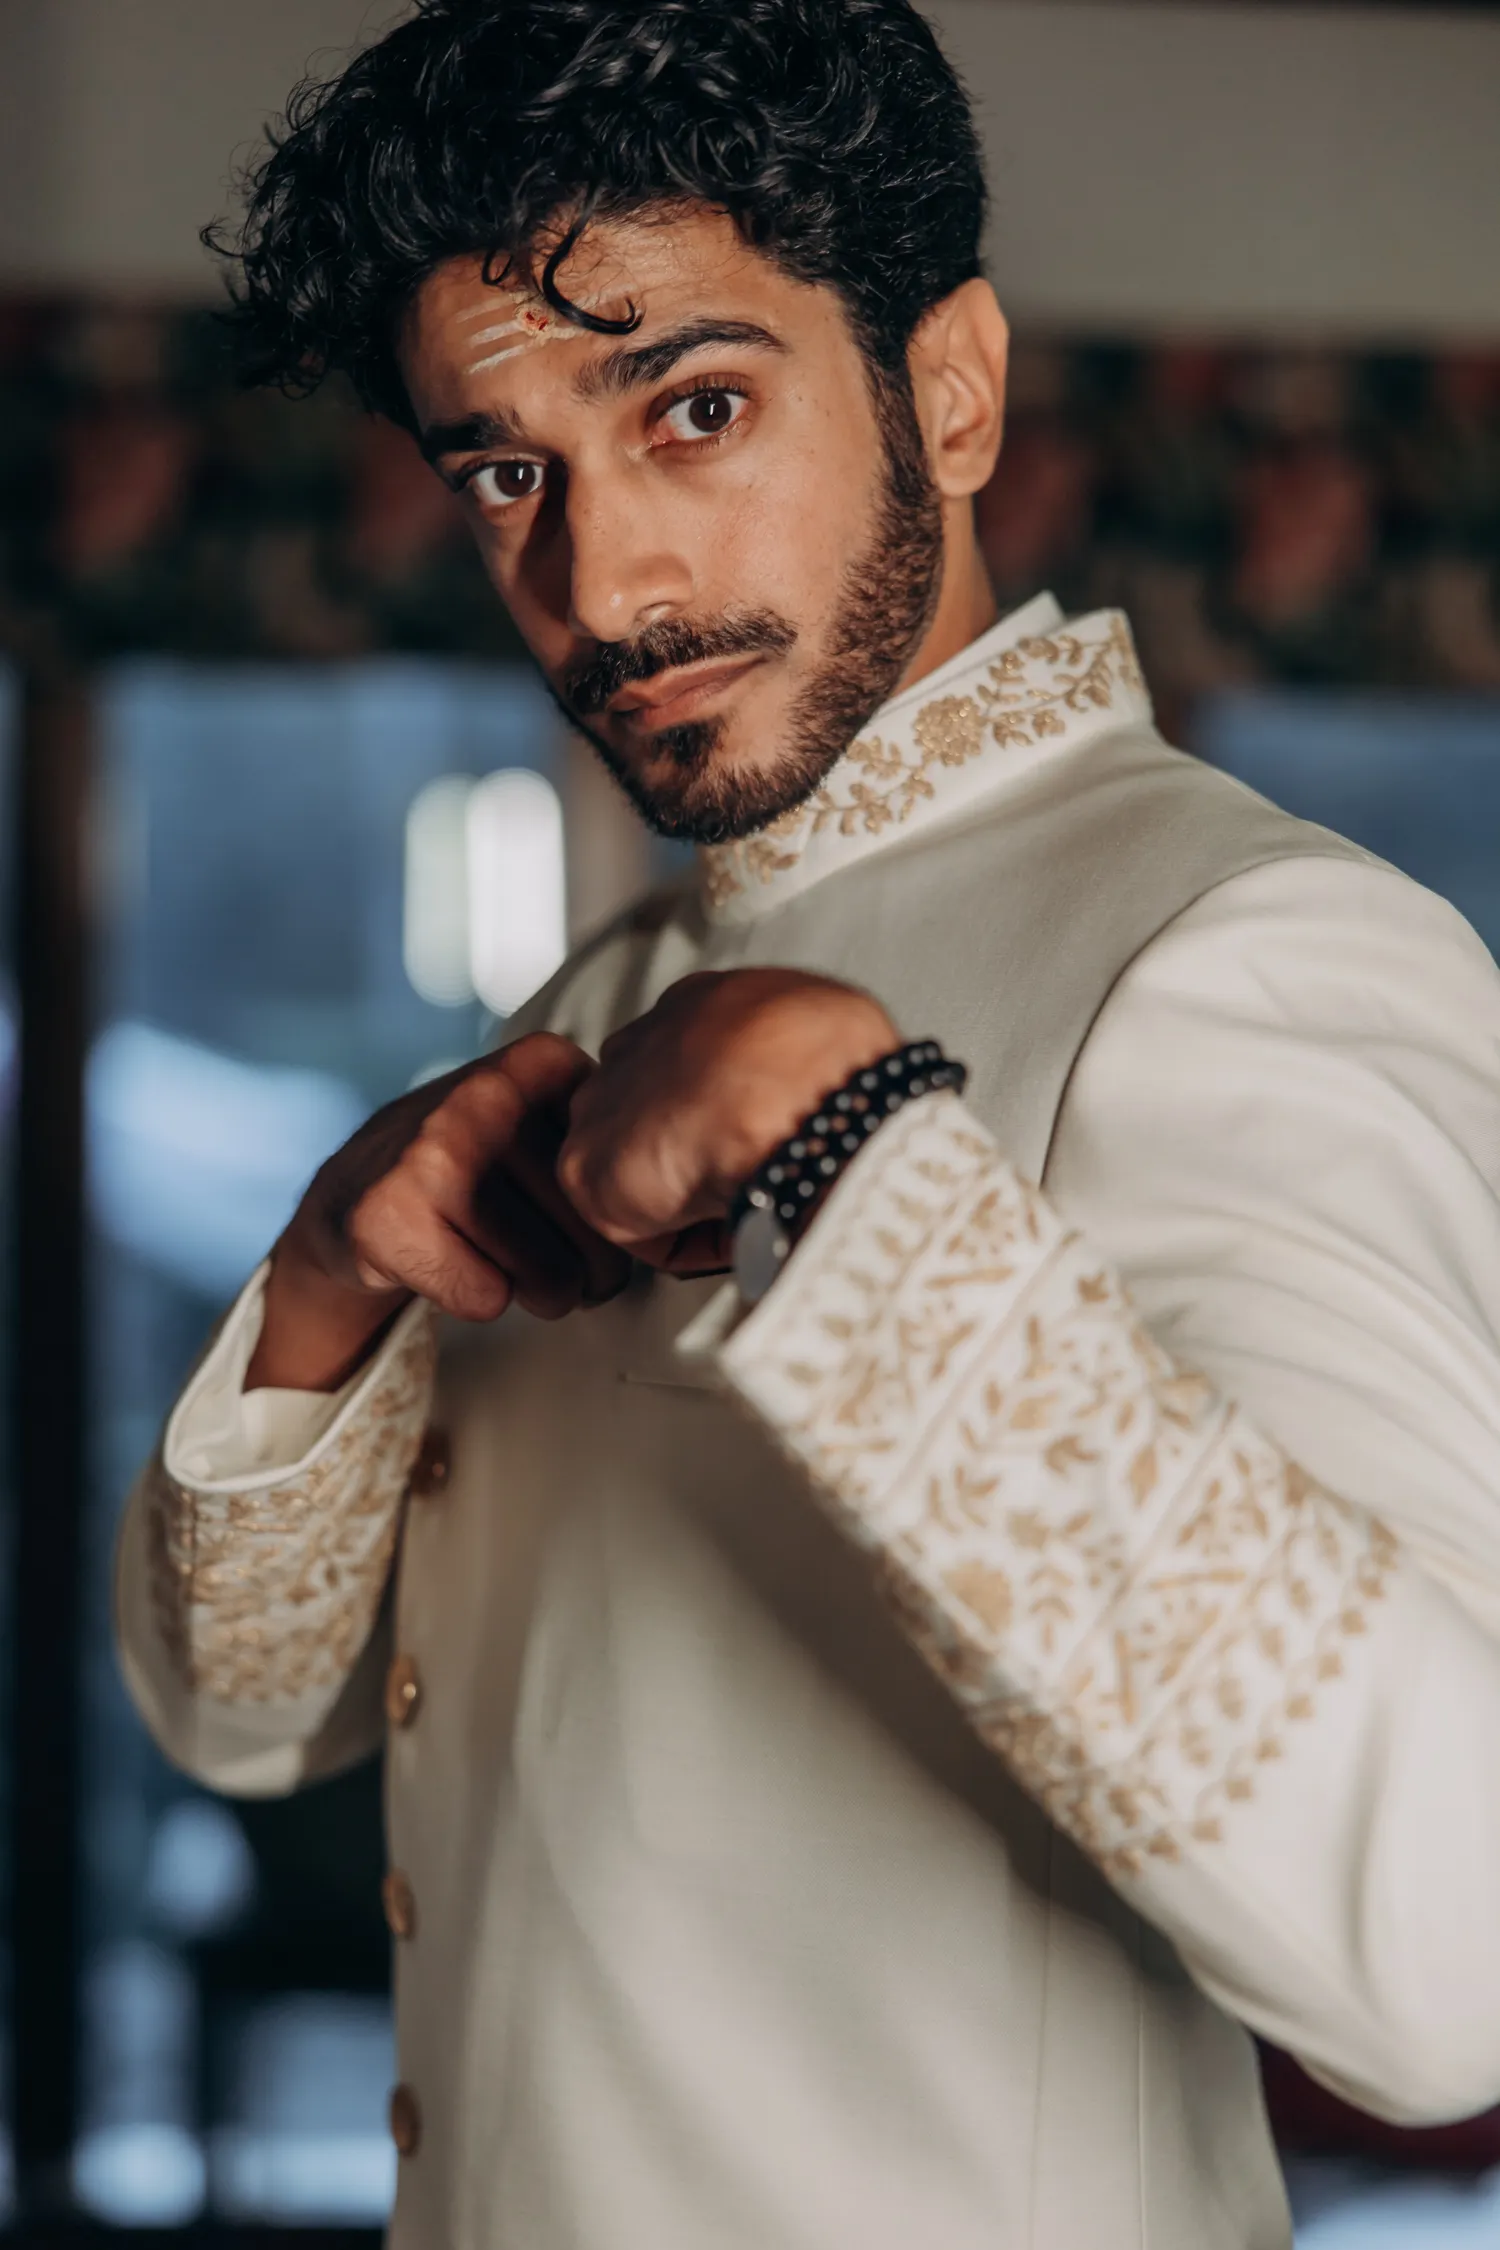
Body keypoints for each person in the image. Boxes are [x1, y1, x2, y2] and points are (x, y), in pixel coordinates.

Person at [115, 4, 1500, 2245]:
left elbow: (1455, 1959)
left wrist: (856, 1155)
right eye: (504, 470)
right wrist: (322, 1286)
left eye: (697, 407)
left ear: (948, 389)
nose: (603, 582)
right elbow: (248, 1730)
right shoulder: (585, 1008)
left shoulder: (1244, 951)